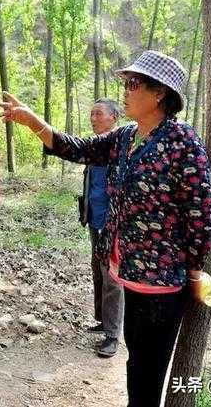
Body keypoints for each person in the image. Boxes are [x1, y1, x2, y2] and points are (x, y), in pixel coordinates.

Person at [0, 50, 211, 407]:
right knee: (137, 361)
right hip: (127, 267)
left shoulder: (183, 142)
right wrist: (34, 122)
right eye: (126, 83)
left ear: (159, 93)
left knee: (148, 366)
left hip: (161, 279)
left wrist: (194, 269)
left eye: (134, 84)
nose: (125, 91)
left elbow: (201, 213)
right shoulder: (125, 136)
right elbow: (78, 148)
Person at [79, 99, 124, 358]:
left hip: (113, 224)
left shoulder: (118, 147)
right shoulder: (94, 148)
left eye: (98, 114)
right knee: (98, 271)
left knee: (112, 278)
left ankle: (112, 335)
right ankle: (102, 321)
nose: (93, 118)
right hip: (95, 220)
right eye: (91, 113)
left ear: (113, 118)